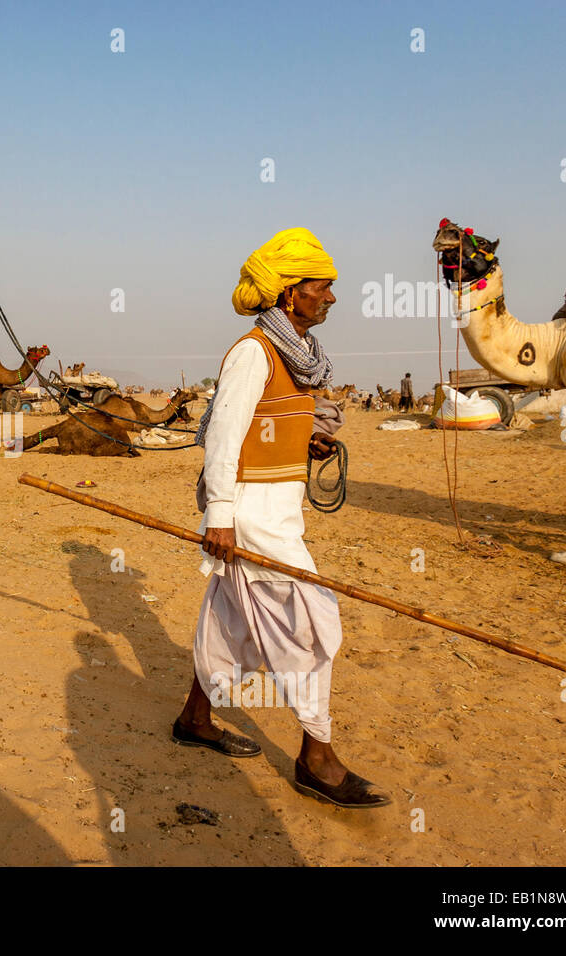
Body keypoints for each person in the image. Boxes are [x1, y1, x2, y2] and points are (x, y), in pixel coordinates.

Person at [177, 227, 389, 809]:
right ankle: (316, 757)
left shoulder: (299, 359)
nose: (332, 297)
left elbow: (270, 427)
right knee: (310, 628)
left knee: (230, 620)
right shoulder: (254, 352)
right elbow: (223, 434)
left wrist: (306, 447)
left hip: (280, 510)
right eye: (323, 286)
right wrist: (219, 516)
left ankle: (196, 716)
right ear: (291, 293)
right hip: (250, 518)